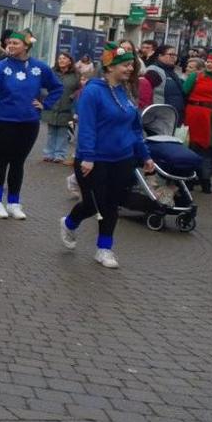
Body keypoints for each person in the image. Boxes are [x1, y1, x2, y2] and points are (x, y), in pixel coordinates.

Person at [61, 45, 155, 269]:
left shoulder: (126, 91)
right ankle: (69, 223)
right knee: (93, 205)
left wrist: (146, 156)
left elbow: (134, 128)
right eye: (125, 64)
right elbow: (87, 127)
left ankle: (104, 249)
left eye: (131, 65)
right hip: (94, 159)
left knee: (111, 205)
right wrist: (88, 156)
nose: (130, 69)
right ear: (110, 66)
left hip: (122, 158)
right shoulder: (93, 91)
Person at [0, 30, 63, 219]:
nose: (10, 46)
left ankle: (13, 202)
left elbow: (57, 87)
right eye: (9, 43)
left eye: (15, 43)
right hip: (3, 122)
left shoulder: (39, 67)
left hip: (29, 123)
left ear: (26, 46)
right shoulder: (0, 67)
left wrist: (45, 104)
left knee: (18, 163)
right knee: (0, 162)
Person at [182, 49, 212, 193]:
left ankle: (205, 179)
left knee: (208, 148)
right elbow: (184, 93)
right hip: (193, 114)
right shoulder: (196, 76)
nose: (210, 64)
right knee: (191, 146)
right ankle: (190, 178)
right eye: (208, 61)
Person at [41, 51, 81, 163]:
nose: (61, 60)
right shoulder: (52, 72)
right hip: (52, 105)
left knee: (63, 132)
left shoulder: (76, 75)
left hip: (66, 106)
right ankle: (48, 153)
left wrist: (74, 95)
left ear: (69, 61)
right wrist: (46, 95)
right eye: (59, 59)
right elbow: (43, 85)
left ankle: (60, 154)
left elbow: (80, 88)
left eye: (64, 58)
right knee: (51, 131)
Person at [140, 45, 186, 117]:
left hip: (174, 114)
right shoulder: (153, 71)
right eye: (171, 54)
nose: (174, 57)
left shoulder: (173, 71)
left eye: (175, 55)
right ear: (160, 56)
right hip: (161, 115)